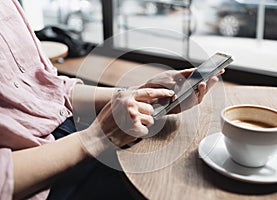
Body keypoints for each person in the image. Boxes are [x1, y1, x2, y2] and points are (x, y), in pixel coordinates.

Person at [0, 0, 223, 199]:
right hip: (41, 181)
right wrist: (96, 137)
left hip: (73, 137)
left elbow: (49, 88)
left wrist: (137, 92)